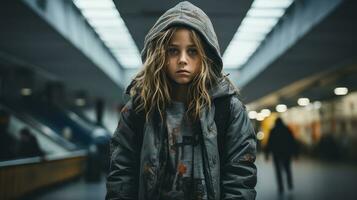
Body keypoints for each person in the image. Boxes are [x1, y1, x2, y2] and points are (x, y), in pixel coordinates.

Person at [106, 2, 257, 200]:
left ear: (206, 56)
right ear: (160, 54)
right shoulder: (139, 110)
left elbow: (240, 177)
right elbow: (122, 175)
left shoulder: (228, 110)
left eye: (192, 51)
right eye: (173, 51)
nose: (183, 60)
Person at [265, 117, 299, 195]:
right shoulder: (287, 129)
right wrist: (296, 154)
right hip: (286, 153)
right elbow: (292, 142)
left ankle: (281, 187)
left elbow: (269, 143)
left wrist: (267, 154)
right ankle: (289, 183)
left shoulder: (273, 131)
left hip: (276, 153)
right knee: (287, 169)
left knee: (278, 171)